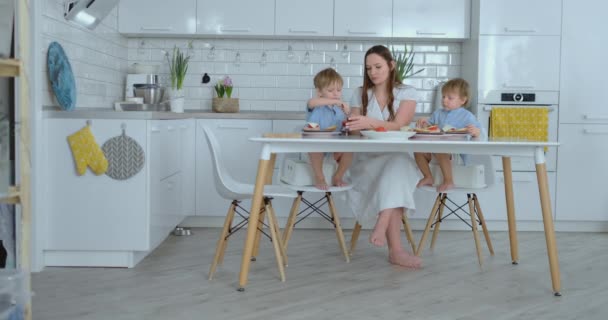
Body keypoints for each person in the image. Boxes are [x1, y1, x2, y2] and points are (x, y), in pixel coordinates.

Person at [344, 45, 422, 268]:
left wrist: (370, 122)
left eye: (378, 66)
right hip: (365, 161)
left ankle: (383, 223)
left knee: (397, 165)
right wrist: (350, 120)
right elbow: (355, 131)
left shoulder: (407, 93)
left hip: (396, 156)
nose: (373, 72)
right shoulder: (359, 93)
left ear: (391, 66)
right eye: (369, 68)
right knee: (398, 170)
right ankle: (396, 250)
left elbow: (399, 125)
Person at [414, 78, 484, 192]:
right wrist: (424, 123)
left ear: (462, 100)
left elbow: (481, 133)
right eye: (443, 96)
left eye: (450, 98)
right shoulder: (438, 113)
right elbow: (430, 127)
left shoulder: (467, 116)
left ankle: (448, 180)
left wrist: (477, 132)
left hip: (456, 154)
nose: (445, 100)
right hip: (436, 151)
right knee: (417, 150)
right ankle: (428, 176)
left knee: (441, 149)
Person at [306, 68, 353, 190]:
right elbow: (311, 102)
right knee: (315, 146)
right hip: (317, 145)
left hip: (334, 146)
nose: (336, 94)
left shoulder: (339, 110)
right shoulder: (316, 106)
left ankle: (338, 176)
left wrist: (348, 114)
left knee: (350, 150)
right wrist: (334, 101)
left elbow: (345, 126)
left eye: (339, 90)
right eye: (331, 90)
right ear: (319, 92)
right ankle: (320, 177)